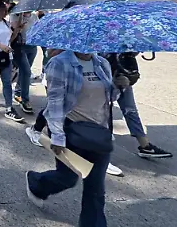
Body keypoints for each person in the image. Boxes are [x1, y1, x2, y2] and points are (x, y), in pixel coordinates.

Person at [26, 49, 128, 227]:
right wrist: (57, 136)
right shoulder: (59, 63)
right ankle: (37, 183)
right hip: (71, 132)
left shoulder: (102, 63)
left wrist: (120, 86)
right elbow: (55, 102)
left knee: (95, 189)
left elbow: (108, 98)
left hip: (99, 133)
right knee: (68, 178)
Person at [10, 10, 39, 114]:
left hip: (32, 46)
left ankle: (17, 92)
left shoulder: (34, 16)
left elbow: (37, 28)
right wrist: (21, 17)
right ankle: (25, 100)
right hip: (20, 46)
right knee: (26, 72)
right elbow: (14, 30)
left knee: (24, 72)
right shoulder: (14, 15)